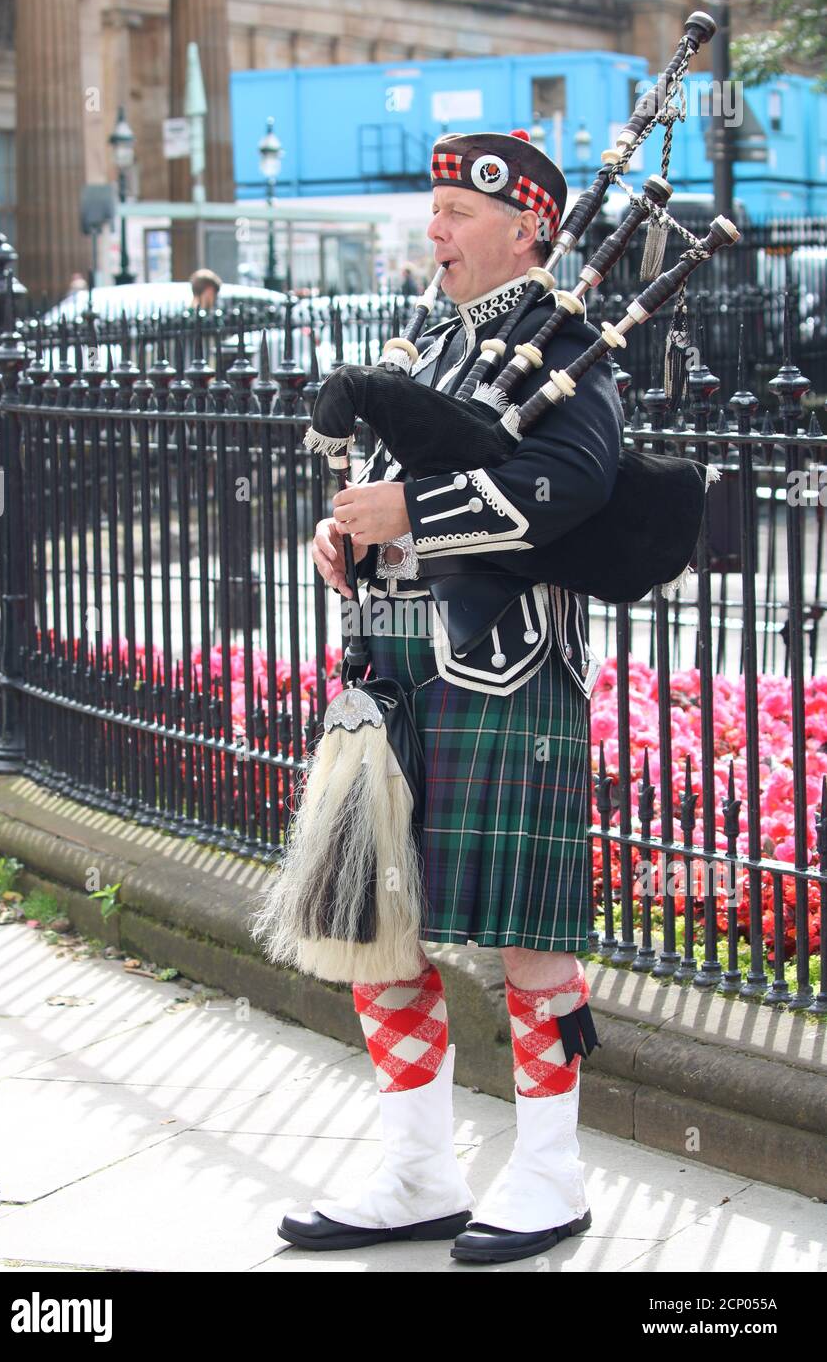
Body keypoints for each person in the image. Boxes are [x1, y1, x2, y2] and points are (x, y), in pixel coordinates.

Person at [279, 129, 623, 1265]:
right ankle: (418, 1170)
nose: (434, 229)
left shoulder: (566, 343)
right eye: (432, 210)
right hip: (391, 666)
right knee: (373, 922)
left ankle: (548, 1173)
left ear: (528, 228)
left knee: (528, 937)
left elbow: (574, 485)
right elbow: (382, 480)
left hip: (504, 666)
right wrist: (342, 532)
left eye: (457, 213)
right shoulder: (425, 342)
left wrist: (419, 516)